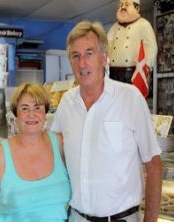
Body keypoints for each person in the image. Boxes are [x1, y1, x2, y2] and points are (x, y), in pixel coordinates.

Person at [51, 20, 162, 222]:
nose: (82, 63)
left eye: (89, 53)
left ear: (104, 58)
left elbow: (153, 164)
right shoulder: (66, 103)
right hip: (77, 218)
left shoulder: (131, 99)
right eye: (75, 56)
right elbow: (55, 156)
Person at [0, 82, 71, 222]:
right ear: (16, 115)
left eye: (37, 107)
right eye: (25, 108)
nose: (31, 114)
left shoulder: (60, 144)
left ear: (45, 113)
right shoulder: (0, 155)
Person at [107, 0, 158, 84]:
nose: (123, 7)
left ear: (137, 8)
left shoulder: (143, 24)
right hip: (113, 73)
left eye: (127, 4)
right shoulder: (114, 27)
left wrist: (147, 67)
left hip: (135, 72)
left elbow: (151, 46)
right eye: (121, 5)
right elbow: (107, 45)